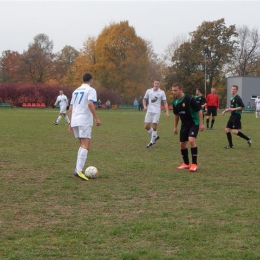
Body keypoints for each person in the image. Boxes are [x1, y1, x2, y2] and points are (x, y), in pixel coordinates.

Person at [68, 73, 101, 181]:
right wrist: (96, 118)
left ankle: (77, 169)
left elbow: (71, 108)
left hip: (75, 120)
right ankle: (78, 170)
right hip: (84, 120)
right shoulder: (91, 90)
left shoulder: (76, 91)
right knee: (86, 146)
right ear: (91, 80)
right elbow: (90, 104)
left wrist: (70, 123)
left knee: (82, 145)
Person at [172, 82, 204, 172]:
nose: (174, 92)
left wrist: (201, 124)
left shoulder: (189, 99)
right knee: (182, 144)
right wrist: (175, 127)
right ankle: (186, 163)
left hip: (194, 122)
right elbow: (176, 115)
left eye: (175, 90)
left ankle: (194, 164)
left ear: (181, 90)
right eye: (173, 90)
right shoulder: (174, 102)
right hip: (184, 124)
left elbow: (199, 111)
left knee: (191, 140)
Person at [143, 79, 169, 148]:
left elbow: (165, 102)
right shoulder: (148, 91)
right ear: (153, 84)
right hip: (149, 110)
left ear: (159, 84)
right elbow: (144, 99)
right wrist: (145, 106)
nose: (156, 85)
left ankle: (151, 142)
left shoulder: (162, 92)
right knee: (146, 126)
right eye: (155, 83)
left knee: (154, 126)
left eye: (158, 83)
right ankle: (155, 136)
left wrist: (167, 111)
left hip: (157, 111)